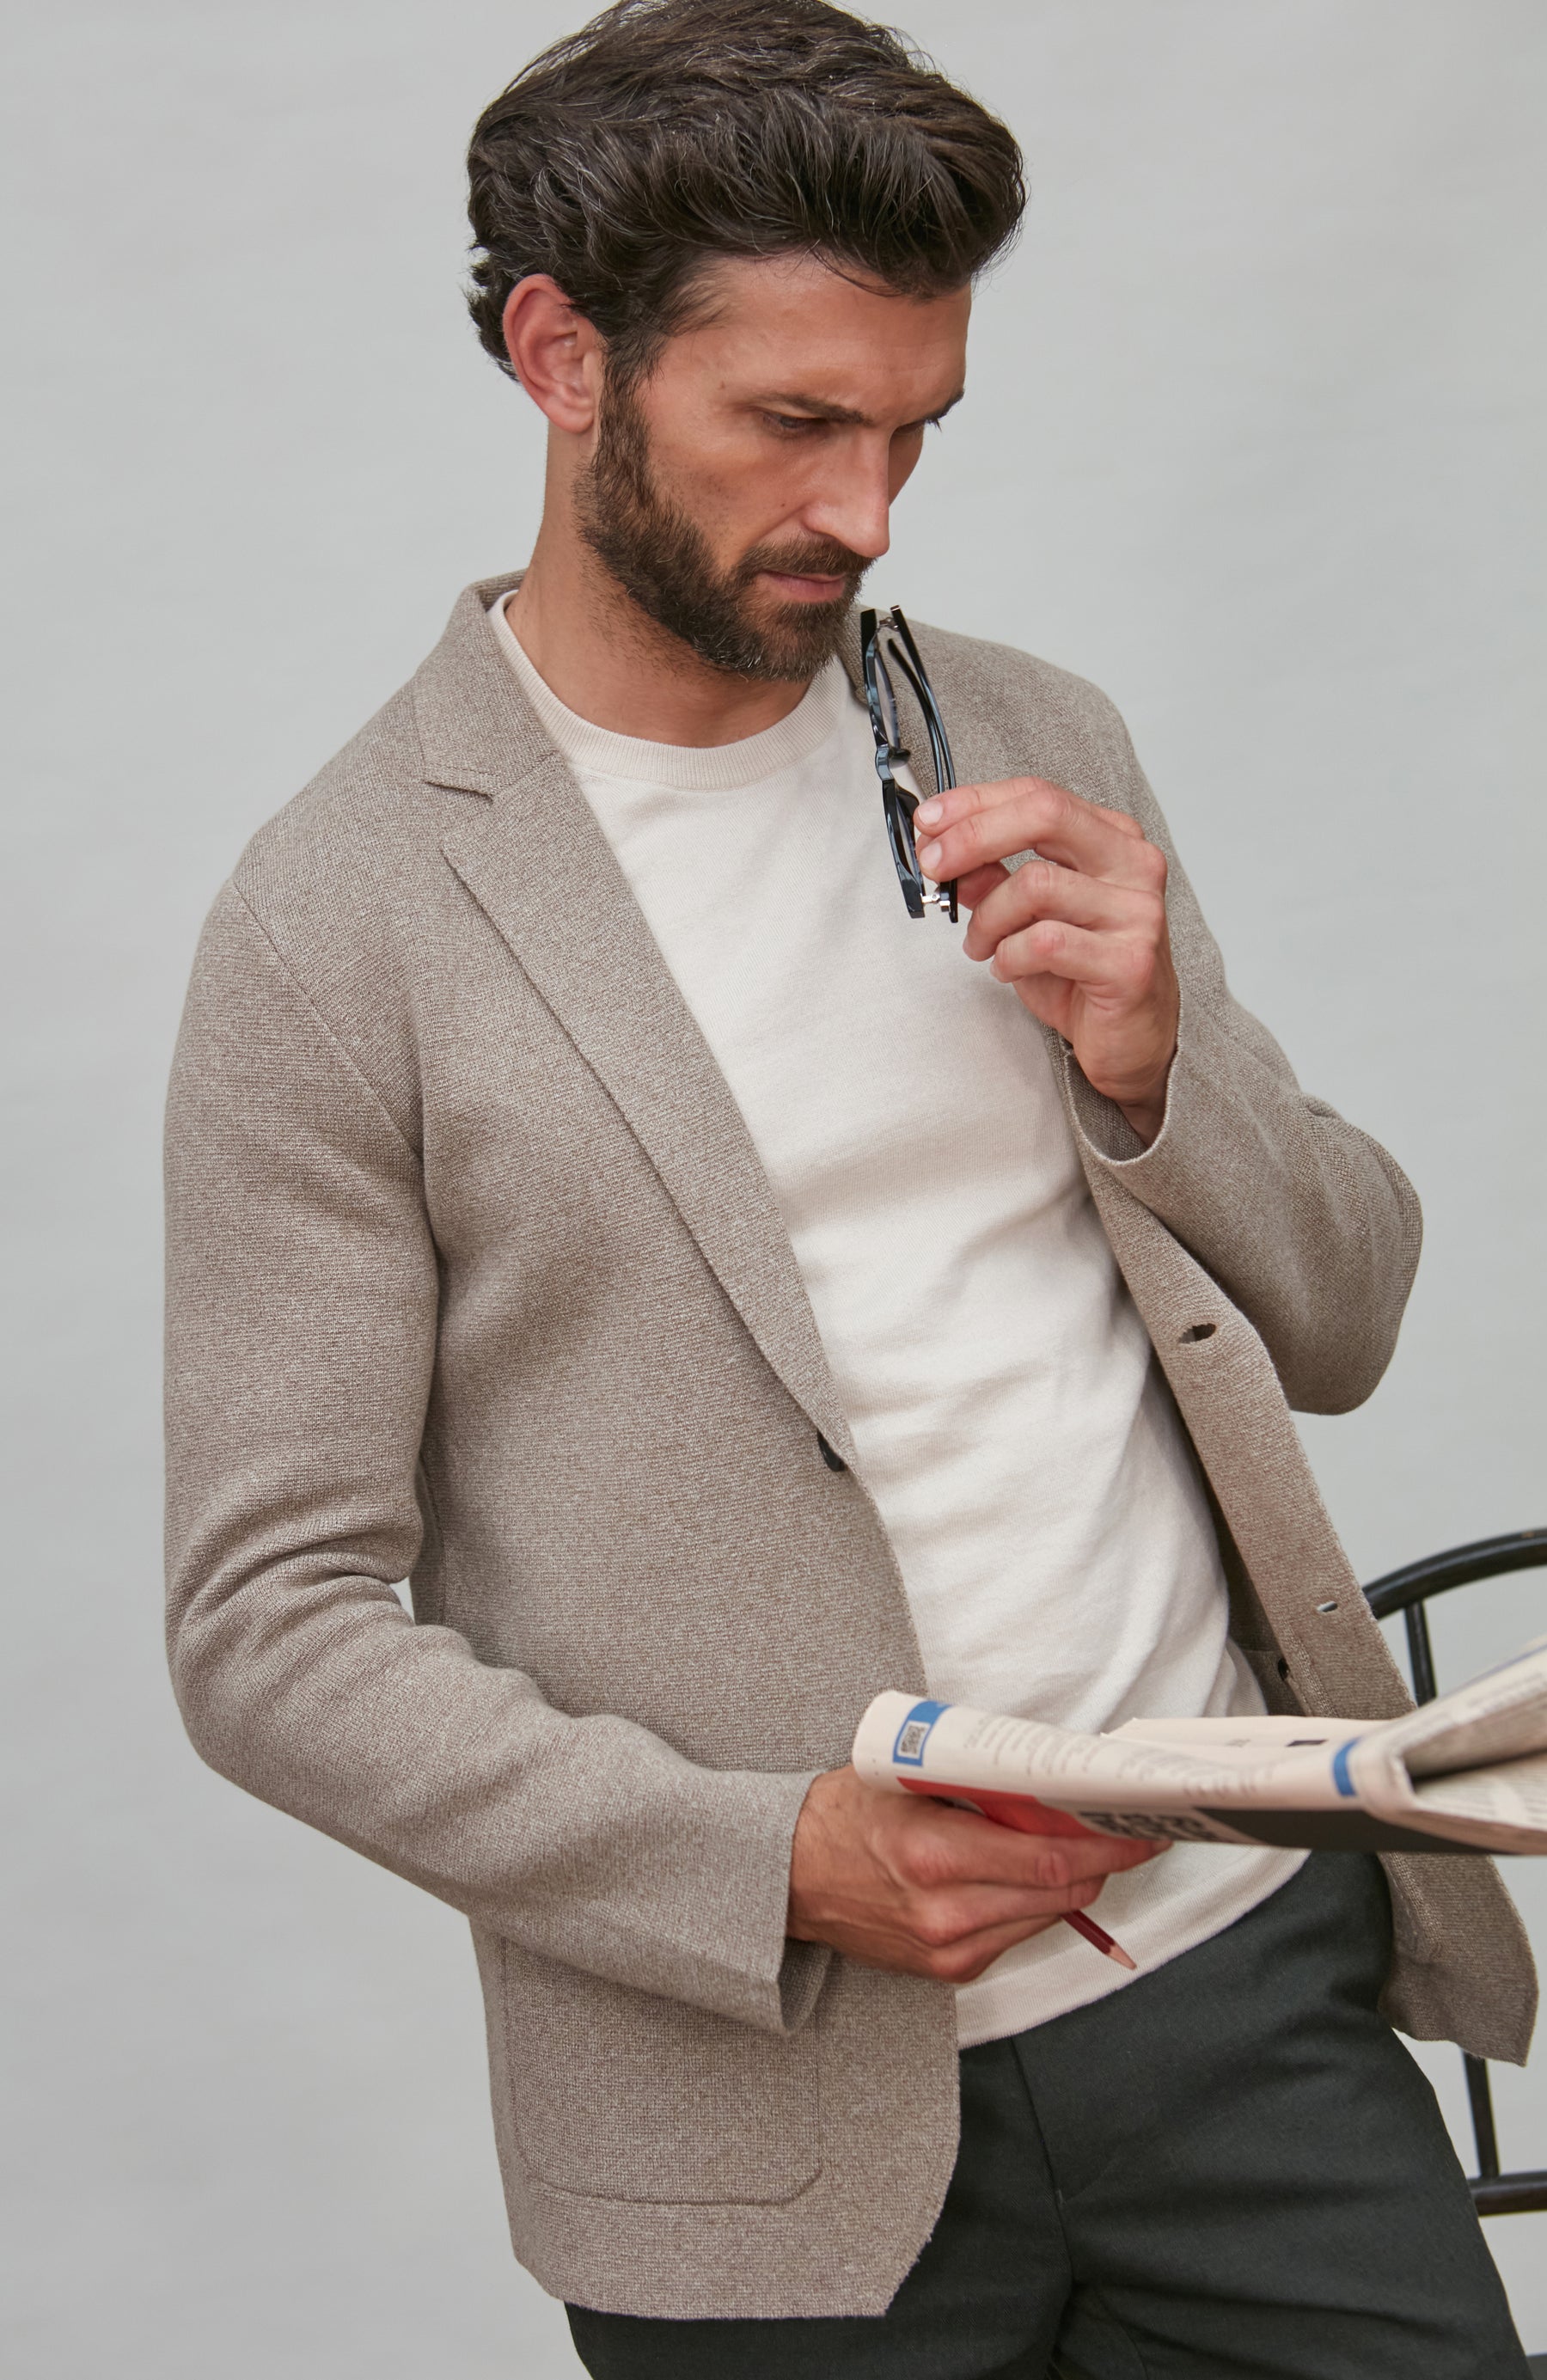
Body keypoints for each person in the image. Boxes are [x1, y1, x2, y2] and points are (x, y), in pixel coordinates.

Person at [163, 3, 1535, 2372]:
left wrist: (1155, 1067)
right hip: (757, 2136)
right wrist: (773, 1858)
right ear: (558, 352)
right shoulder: (337, 920)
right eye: (792, 422)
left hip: (1243, 1992)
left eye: (914, 430)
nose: (868, 514)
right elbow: (269, 1626)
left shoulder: (1032, 735)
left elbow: (1344, 1313)